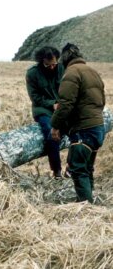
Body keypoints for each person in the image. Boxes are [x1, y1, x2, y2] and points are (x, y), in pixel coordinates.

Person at [51, 43, 106, 203]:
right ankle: (90, 204)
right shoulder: (93, 72)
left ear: (65, 59)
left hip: (84, 129)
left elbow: (65, 104)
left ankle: (85, 207)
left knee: (77, 168)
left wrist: (55, 126)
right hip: (98, 127)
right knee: (87, 168)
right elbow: (101, 101)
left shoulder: (71, 73)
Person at [26, 46, 66, 178]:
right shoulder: (32, 73)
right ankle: (57, 171)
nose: (52, 68)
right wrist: (51, 104)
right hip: (43, 110)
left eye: (54, 64)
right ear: (42, 60)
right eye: (48, 65)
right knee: (51, 133)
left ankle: (73, 169)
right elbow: (35, 97)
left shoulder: (61, 68)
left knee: (79, 129)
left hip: (62, 108)